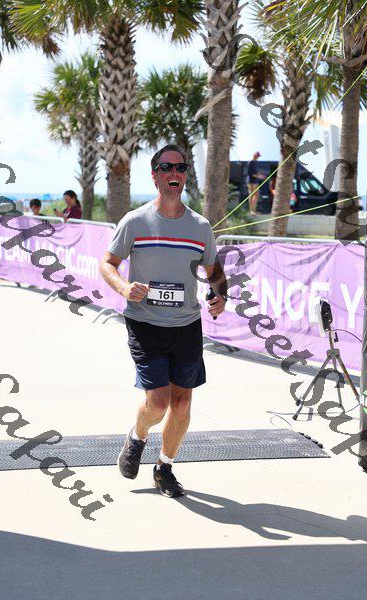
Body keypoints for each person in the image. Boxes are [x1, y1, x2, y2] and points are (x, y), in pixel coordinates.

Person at [100, 143, 227, 498]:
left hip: (186, 326)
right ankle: (137, 436)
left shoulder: (200, 226)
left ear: (185, 176)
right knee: (157, 402)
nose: (174, 173)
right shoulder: (135, 221)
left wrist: (220, 296)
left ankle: (164, 467)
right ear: (155, 175)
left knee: (182, 402)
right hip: (145, 324)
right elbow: (107, 263)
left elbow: (215, 272)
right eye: (167, 167)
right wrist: (124, 287)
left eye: (180, 168)